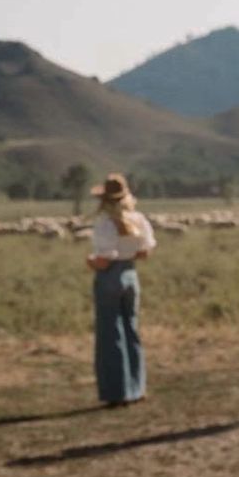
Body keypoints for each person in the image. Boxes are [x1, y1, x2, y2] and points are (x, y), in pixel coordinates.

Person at [86, 173, 156, 407]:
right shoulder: (139, 220)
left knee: (111, 332)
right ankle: (137, 387)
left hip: (109, 277)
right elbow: (145, 252)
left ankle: (118, 391)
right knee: (131, 329)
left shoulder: (105, 224)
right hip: (130, 274)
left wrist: (91, 261)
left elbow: (104, 260)